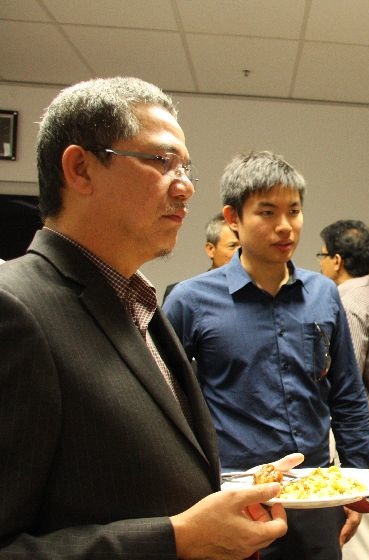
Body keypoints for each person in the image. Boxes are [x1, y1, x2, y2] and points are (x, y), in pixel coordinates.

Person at [0, 77, 295, 559]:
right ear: (81, 169)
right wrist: (176, 539)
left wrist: (238, 491)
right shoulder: (15, 309)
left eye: (186, 167)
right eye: (162, 161)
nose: (185, 187)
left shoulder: (137, 301)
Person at [163, 151, 369, 560]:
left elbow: (346, 395)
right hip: (236, 496)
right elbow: (163, 404)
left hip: (315, 492)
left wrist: (357, 485)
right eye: (267, 212)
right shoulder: (191, 300)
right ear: (233, 218)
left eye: (293, 211)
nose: (284, 226)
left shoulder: (323, 294)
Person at [317, 219, 369, 560]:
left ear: (336, 260)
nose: (318, 263)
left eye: (321, 254)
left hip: (353, 422)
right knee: (363, 513)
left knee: (353, 521)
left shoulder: (346, 304)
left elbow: (343, 379)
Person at [163, 212, 240, 300]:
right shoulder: (182, 294)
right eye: (232, 246)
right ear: (210, 249)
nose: (241, 252)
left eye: (246, 246)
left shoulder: (256, 291)